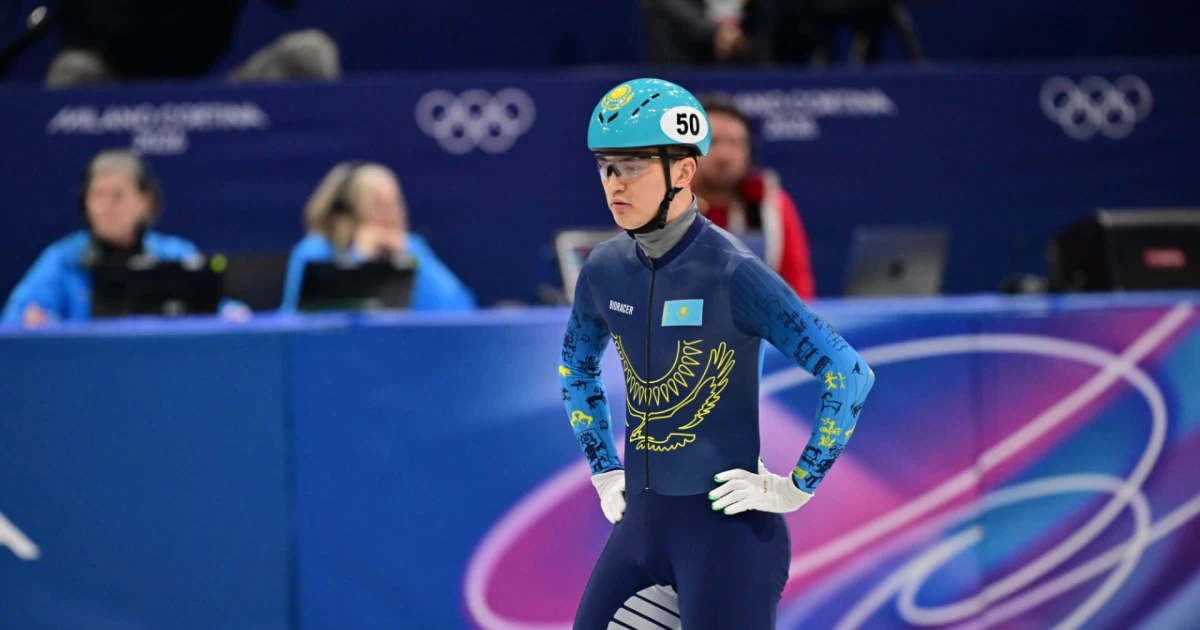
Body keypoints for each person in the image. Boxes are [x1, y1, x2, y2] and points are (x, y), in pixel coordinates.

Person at [558, 78, 876, 628]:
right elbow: (575, 367)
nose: (615, 183)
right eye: (606, 167)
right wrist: (605, 470)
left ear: (683, 171)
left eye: (632, 166)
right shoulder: (603, 269)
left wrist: (797, 486)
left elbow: (848, 372)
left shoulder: (733, 271)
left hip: (727, 536)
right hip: (641, 526)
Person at [2, 148, 225, 327]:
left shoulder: (176, 255)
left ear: (145, 202)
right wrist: (40, 324)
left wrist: (231, 313)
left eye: (118, 196)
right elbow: (15, 319)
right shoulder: (63, 259)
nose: (106, 207)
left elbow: (221, 309)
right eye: (97, 195)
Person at [280, 161, 476, 312]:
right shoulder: (315, 251)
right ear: (348, 212)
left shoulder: (412, 249)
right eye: (378, 204)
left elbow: (461, 310)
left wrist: (405, 259)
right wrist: (360, 258)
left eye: (395, 203)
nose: (391, 214)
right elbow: (296, 321)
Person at [44, 0, 339, 87]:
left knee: (309, 54)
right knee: (72, 69)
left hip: (213, 108)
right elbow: (88, 30)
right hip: (116, 106)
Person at [693, 94, 817, 300]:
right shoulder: (663, 205)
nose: (724, 155)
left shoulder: (772, 206)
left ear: (749, 151)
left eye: (735, 143)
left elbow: (797, 289)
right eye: (712, 142)